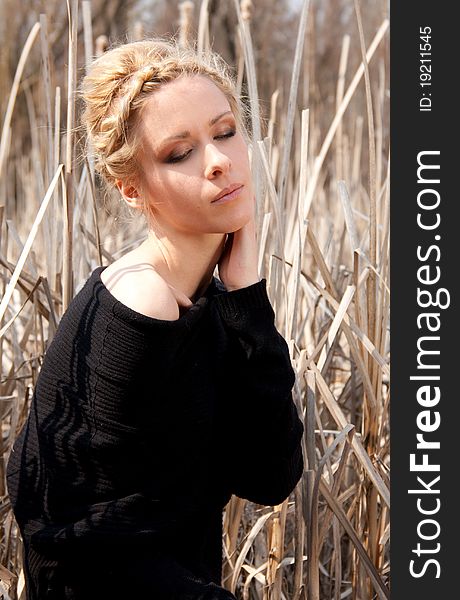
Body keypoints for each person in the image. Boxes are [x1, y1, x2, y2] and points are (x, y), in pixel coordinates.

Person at [6, 38, 304, 599]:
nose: (218, 161)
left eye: (224, 132)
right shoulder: (140, 301)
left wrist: (245, 297)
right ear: (131, 189)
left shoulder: (208, 302)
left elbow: (271, 476)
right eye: (179, 153)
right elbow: (73, 539)